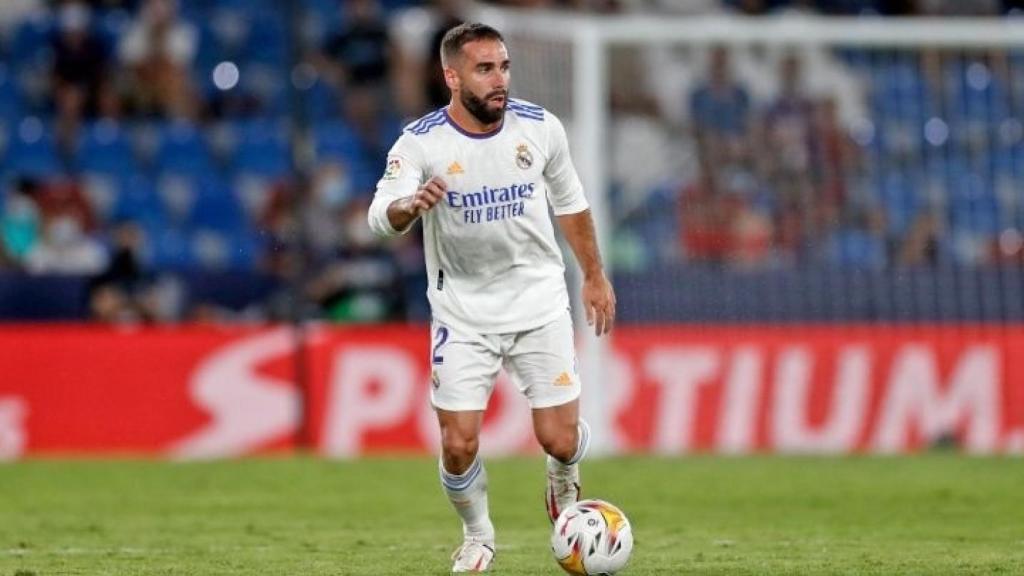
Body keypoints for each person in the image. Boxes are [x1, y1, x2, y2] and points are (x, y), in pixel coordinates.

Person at [366, 22, 616, 573]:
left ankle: (563, 480)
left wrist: (594, 275)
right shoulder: (420, 142)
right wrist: (410, 206)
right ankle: (478, 536)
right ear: (451, 76)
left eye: (503, 66)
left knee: (558, 437)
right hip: (463, 314)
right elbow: (379, 217)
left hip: (539, 302)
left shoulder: (540, 128)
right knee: (458, 445)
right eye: (484, 69)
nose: (499, 79)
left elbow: (571, 206)